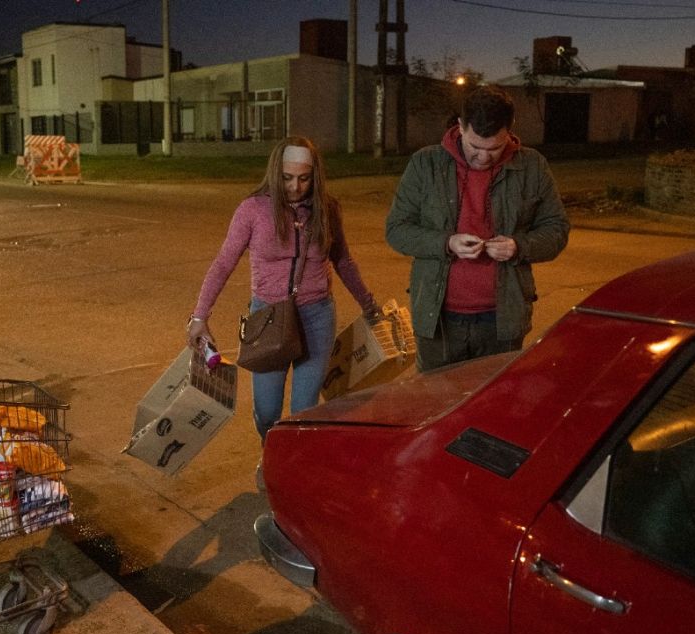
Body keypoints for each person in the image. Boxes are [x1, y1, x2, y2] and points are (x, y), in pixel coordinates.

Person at [187, 136, 380, 441]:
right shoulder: (253, 210)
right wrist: (199, 315)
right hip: (268, 317)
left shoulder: (326, 209)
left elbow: (343, 261)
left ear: (314, 176)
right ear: (276, 173)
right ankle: (270, 448)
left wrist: (369, 305)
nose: (295, 186)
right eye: (287, 178)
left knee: (304, 411)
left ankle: (286, 465)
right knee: (267, 411)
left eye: (304, 179)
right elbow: (224, 262)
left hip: (316, 317)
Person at [385, 85, 569, 371]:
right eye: (475, 147)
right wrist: (446, 243)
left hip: (502, 318)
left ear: (510, 130)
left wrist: (518, 246)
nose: (483, 157)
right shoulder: (426, 163)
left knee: (493, 405)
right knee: (436, 405)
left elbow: (556, 230)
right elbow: (397, 229)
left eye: (495, 148)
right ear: (460, 126)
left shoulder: (532, 166)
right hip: (438, 319)